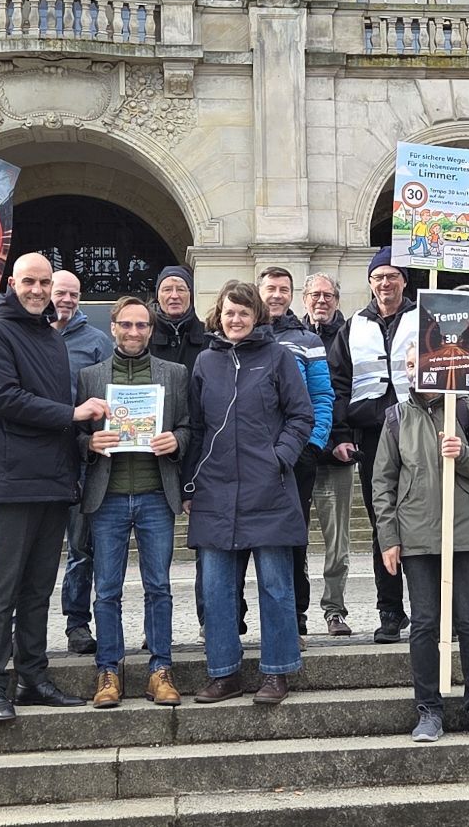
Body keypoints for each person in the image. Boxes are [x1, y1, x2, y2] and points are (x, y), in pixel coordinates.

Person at [0, 253, 109, 722]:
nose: (37, 289)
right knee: (5, 588)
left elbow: (57, 406)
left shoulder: (50, 337)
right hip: (12, 478)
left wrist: (84, 439)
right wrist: (73, 415)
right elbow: (4, 398)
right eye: (28, 281)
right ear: (12, 283)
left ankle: (32, 675)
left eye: (44, 282)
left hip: (54, 477)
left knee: (38, 588)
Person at [185, 281, 315, 705]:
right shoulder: (205, 362)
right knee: (217, 589)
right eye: (229, 312)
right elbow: (197, 427)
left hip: (269, 488)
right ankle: (224, 673)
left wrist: (280, 457)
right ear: (219, 315)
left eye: (244, 312)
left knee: (276, 587)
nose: (236, 319)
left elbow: (301, 415)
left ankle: (277, 671)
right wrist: (190, 483)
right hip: (215, 489)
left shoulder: (278, 357)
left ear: (256, 315)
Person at [373, 348, 469, 743]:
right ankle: (428, 709)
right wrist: (389, 537)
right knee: (425, 622)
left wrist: (462, 453)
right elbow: (383, 484)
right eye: (409, 365)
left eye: (420, 363)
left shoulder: (467, 409)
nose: (414, 370)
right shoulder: (396, 418)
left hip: (466, 531)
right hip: (418, 535)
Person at [77, 296, 193, 707]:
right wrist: (89, 442)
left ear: (151, 330)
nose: (133, 332)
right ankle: (108, 671)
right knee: (107, 589)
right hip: (106, 495)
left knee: (158, 586)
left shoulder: (174, 374)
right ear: (113, 327)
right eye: (126, 324)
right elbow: (75, 433)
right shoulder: (91, 376)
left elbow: (188, 426)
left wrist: (176, 440)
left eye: (141, 325)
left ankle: (160, 670)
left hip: (155, 494)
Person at [329, 246, 420, 643]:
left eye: (392, 276)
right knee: (383, 522)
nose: (385, 283)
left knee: (422, 521)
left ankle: (429, 608)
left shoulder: (425, 318)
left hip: (418, 428)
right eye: (379, 277)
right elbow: (337, 383)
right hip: (370, 434)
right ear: (370, 282)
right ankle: (390, 611)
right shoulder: (352, 326)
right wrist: (340, 435)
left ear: (404, 281)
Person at [259, 266, 333, 638]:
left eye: (283, 289)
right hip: (251, 455)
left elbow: (322, 395)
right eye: (270, 288)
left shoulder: (308, 340)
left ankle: (295, 613)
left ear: (292, 295)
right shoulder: (239, 333)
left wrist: (313, 444)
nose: (276, 295)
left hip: (296, 455)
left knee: (294, 538)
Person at [54, 268, 114, 656]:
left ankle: (76, 622)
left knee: (81, 548)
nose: (66, 300)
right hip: (35, 459)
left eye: (74, 294)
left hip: (81, 458)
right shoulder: (26, 336)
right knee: (29, 551)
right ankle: (19, 626)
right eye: (60, 292)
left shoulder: (97, 342)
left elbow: (110, 398)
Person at [303, 272, 356, 636]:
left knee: (337, 541)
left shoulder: (351, 335)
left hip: (337, 452)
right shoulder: (291, 335)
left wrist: (345, 437)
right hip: (298, 454)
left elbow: (353, 390)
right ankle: (298, 611)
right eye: (315, 295)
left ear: (337, 299)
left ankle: (334, 610)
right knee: (295, 539)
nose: (321, 301)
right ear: (304, 298)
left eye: (328, 295)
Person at [149, 265, 209, 368]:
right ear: (158, 296)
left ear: (190, 295)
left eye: (181, 289)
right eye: (167, 290)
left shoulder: (209, 339)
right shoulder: (145, 337)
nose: (174, 296)